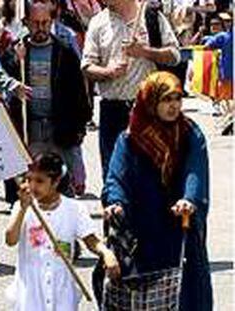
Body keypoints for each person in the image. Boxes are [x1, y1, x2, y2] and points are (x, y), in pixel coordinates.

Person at [102, 72, 213, 310]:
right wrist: (116, 202)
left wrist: (189, 198)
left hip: (178, 224)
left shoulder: (190, 133)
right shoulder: (130, 138)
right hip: (142, 229)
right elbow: (116, 177)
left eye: (177, 98)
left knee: (185, 293)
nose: (173, 106)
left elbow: (196, 170)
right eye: (166, 99)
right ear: (150, 101)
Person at [5, 152, 120, 310]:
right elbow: (10, 240)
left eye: (40, 181)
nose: (32, 186)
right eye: (28, 179)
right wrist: (22, 209)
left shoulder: (74, 208)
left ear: (56, 181)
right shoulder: (22, 207)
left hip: (61, 290)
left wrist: (106, 253)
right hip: (30, 291)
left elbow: (91, 240)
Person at [81, 0, 180, 181]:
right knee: (114, 175)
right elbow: (87, 67)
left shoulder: (151, 16)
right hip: (113, 111)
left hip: (149, 109)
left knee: (151, 174)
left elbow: (175, 55)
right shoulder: (98, 22)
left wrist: (145, 52)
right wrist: (108, 72)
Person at [4, 2, 91, 196]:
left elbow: (79, 92)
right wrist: (15, 60)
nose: (41, 28)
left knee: (61, 185)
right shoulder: (17, 51)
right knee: (32, 184)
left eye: (45, 23)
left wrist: (80, 127)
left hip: (59, 128)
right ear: (26, 22)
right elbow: (5, 83)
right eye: (36, 23)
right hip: (30, 128)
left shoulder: (64, 52)